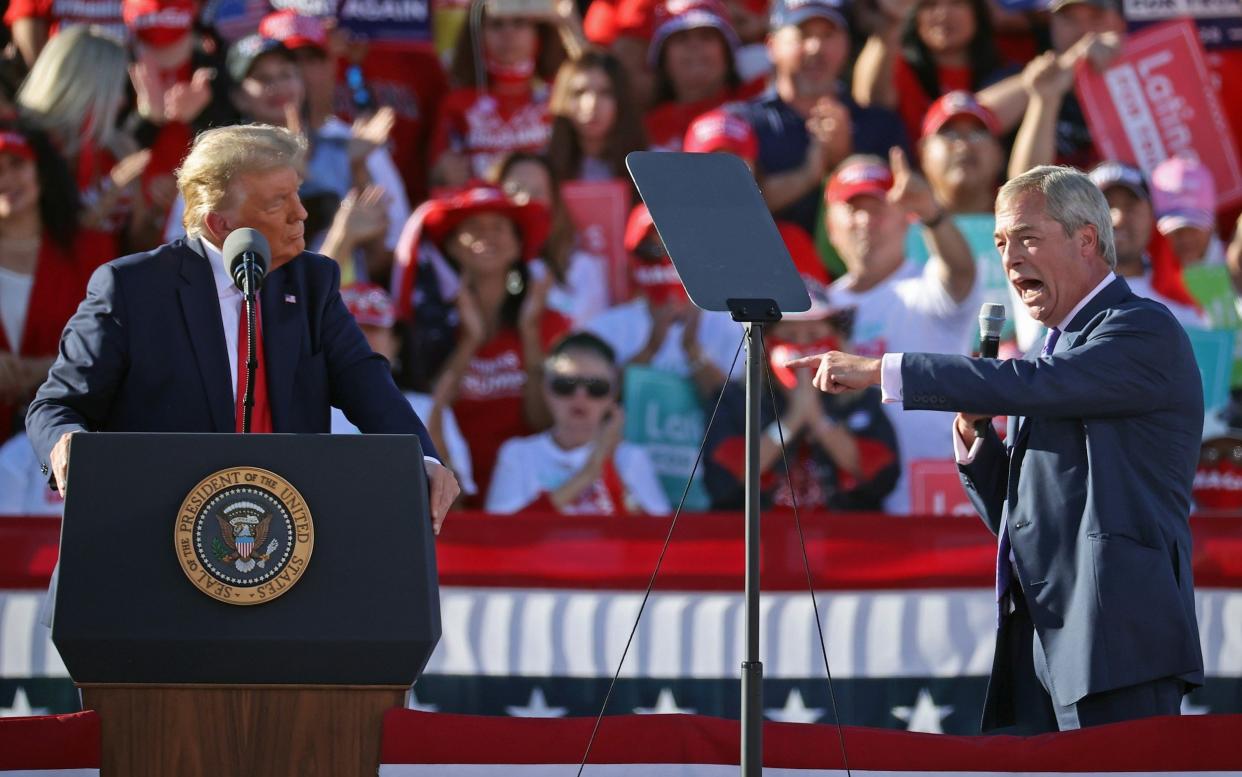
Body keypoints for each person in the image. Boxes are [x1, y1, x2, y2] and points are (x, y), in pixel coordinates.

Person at [790, 165, 1204, 732]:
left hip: (1119, 639)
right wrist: (975, 439)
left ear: (1086, 239)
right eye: (1003, 242)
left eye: (1028, 237)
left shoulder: (1139, 329)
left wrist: (884, 370)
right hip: (1047, 642)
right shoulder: (1060, 354)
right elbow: (1023, 517)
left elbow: (1035, 384)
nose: (1010, 259)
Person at [25, 124, 460, 532]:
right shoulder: (131, 288)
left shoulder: (311, 282)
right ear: (220, 223)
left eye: (298, 194)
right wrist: (67, 444)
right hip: (154, 532)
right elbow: (56, 407)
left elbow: (367, 382)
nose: (301, 214)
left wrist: (420, 457)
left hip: (281, 541)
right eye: (278, 202)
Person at [392, 184, 571, 502]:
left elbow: (543, 421)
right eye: (473, 227)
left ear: (519, 245)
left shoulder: (551, 323)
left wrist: (529, 332)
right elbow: (427, 414)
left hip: (527, 496)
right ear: (452, 247)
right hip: (450, 496)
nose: (487, 236)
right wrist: (470, 342)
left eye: (499, 227)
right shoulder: (430, 328)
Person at [823, 152, 978, 513]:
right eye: (852, 208)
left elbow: (961, 274)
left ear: (906, 218)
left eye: (877, 207)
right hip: (851, 507)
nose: (865, 220)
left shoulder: (926, 290)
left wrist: (933, 215)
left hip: (934, 504)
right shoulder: (816, 311)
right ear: (830, 227)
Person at [704, 285, 899, 511]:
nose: (803, 348)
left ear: (836, 341)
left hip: (844, 538)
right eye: (789, 336)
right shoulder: (736, 400)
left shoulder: (862, 399)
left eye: (814, 336)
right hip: (765, 538)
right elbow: (725, 476)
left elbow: (881, 474)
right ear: (765, 344)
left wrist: (818, 419)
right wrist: (792, 420)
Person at [729, 0, 908, 235]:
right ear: (771, 46)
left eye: (828, 35)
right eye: (802, 34)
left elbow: (904, 210)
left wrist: (844, 158)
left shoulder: (880, 124)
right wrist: (808, 174)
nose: (815, 48)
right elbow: (729, 215)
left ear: (846, 44)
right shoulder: (740, 124)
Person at [0, 125, 113, 443]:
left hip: (67, 439)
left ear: (42, 173)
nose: (6, 180)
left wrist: (53, 368)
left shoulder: (92, 249)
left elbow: (116, 344)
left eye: (17, 165)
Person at [486, 332, 670, 515]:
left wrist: (609, 465)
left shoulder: (630, 458)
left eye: (596, 387)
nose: (579, 397)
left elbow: (655, 538)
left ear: (613, 395)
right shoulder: (518, 454)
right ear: (545, 389)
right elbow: (503, 535)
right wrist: (589, 473)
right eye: (565, 385)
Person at [331, 282, 478, 502]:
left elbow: (456, 507)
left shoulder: (428, 408)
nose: (359, 341)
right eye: (351, 331)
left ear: (396, 342)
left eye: (373, 329)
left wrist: (435, 431)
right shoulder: (299, 406)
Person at [851, 0, 1024, 142]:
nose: (943, 13)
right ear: (914, 16)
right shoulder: (894, 65)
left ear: (977, 11)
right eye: (929, 4)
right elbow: (869, 100)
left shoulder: (1006, 66)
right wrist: (891, 25)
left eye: (956, 3)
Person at [1084, 161, 1205, 330]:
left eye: (1131, 206)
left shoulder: (1182, 309)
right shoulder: (1055, 296)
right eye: (1105, 206)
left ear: (1152, 216)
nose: (1118, 219)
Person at [495, 151, 611, 326]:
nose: (525, 200)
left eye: (537, 192)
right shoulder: (479, 264)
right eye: (514, 190)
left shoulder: (583, 268)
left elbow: (589, 342)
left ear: (554, 201)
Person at [546, 48, 648, 183]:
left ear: (622, 100)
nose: (591, 105)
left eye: (605, 93)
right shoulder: (541, 168)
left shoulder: (653, 165)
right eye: (579, 92)